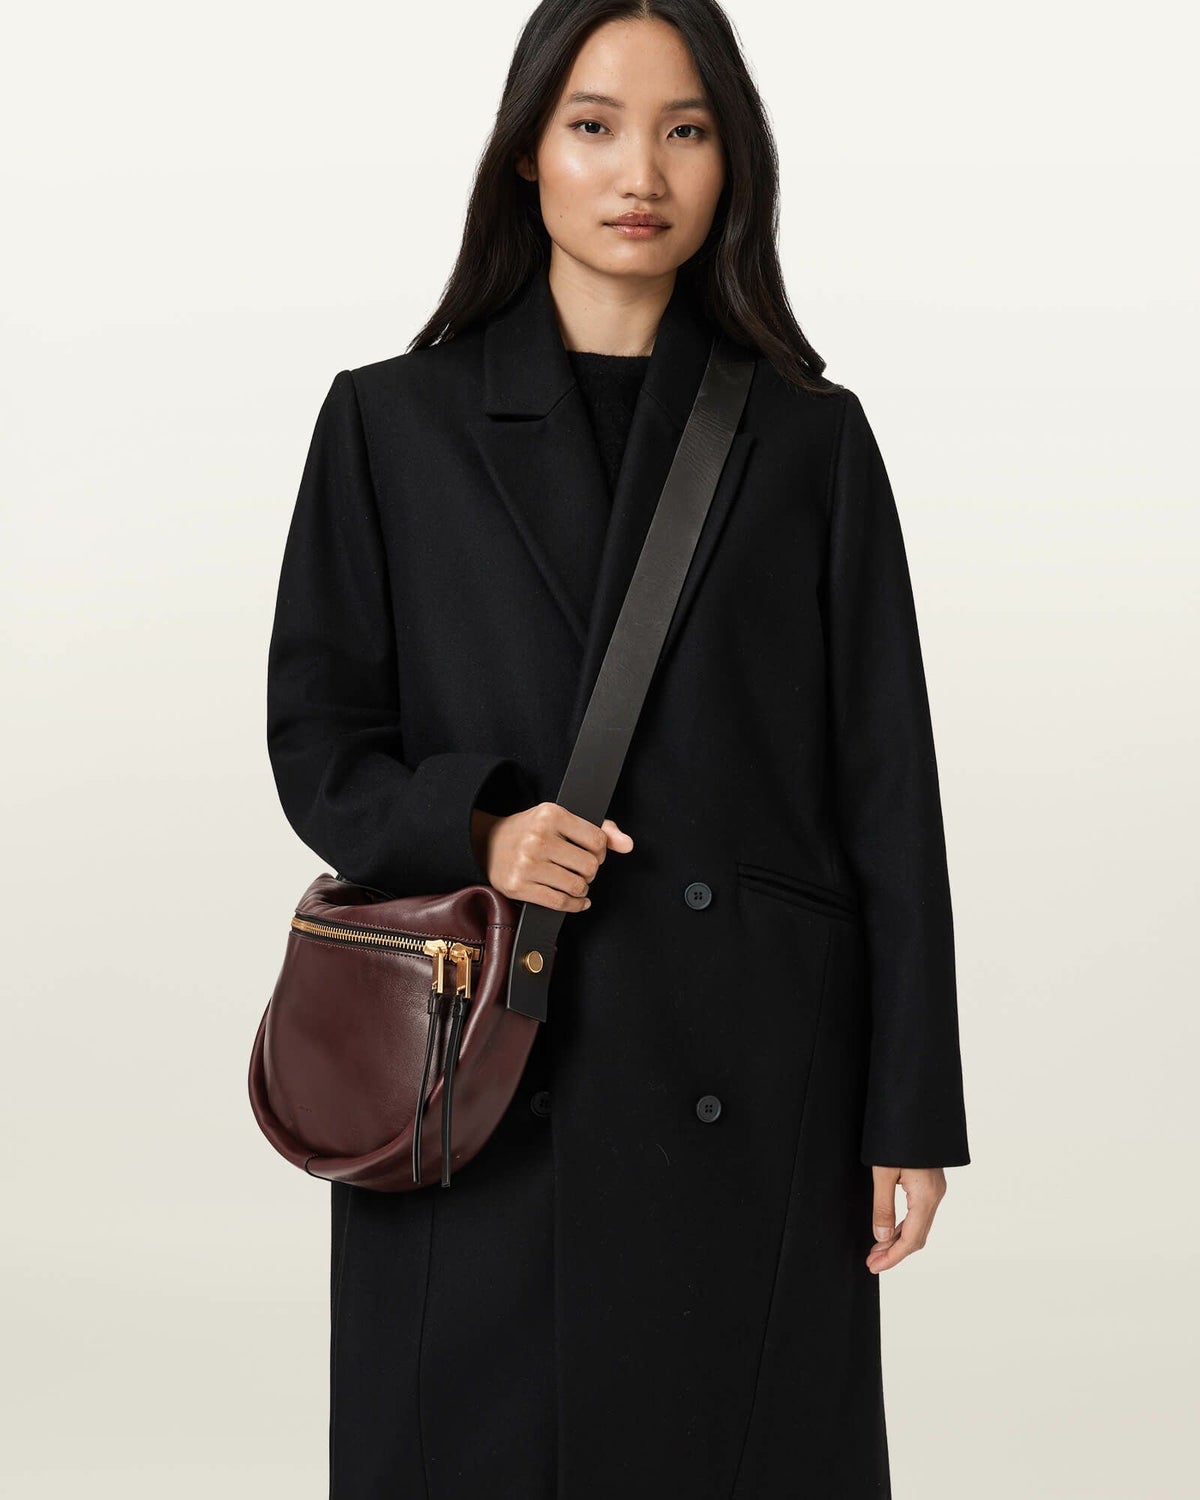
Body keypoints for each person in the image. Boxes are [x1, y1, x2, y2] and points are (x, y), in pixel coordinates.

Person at [264, 2, 971, 1496]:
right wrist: (481, 830)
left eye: (685, 129)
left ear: (733, 161)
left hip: (752, 1081)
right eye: (594, 125)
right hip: (480, 1073)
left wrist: (910, 1110)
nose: (639, 170)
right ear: (529, 152)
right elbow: (318, 743)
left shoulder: (810, 438)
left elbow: (887, 788)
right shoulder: (391, 424)